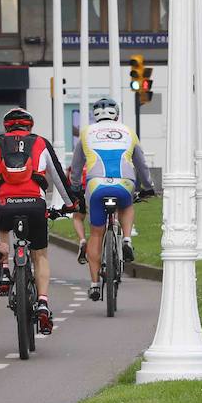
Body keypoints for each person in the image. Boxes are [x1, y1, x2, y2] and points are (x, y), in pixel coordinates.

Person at [0, 108, 75, 335]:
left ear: (6, 127)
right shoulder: (40, 143)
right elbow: (57, 176)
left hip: (5, 204)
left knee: (0, 225)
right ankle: (43, 302)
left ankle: (5, 269)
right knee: (40, 255)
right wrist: (70, 204)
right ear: (30, 126)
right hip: (35, 205)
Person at [69, 96, 155, 302]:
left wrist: (74, 187)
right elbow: (142, 166)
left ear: (95, 115)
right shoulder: (129, 132)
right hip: (124, 183)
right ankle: (126, 238)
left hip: (96, 185)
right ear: (116, 114)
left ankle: (94, 285)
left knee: (96, 234)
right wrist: (149, 187)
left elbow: (76, 166)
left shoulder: (86, 133)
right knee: (126, 205)